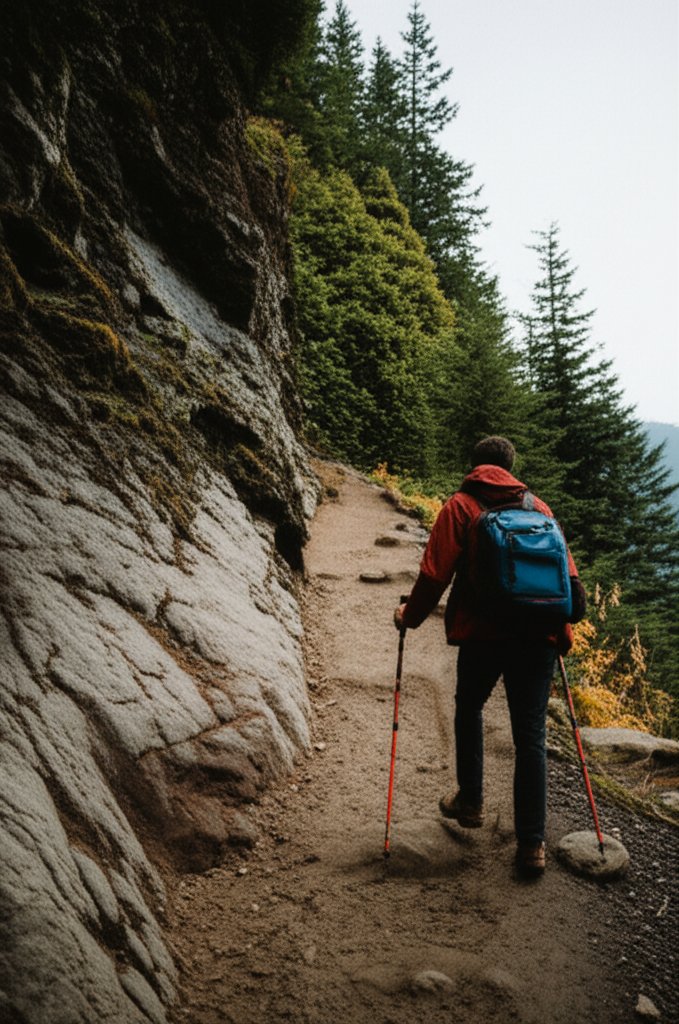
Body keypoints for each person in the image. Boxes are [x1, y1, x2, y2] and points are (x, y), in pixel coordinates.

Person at [394, 436, 586, 876]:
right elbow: (567, 582)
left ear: (475, 465)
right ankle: (532, 847)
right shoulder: (539, 509)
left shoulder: (461, 506)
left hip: (483, 635)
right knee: (531, 737)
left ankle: (472, 800)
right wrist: (563, 636)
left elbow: (433, 574)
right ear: (511, 467)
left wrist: (410, 617)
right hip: (538, 638)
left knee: (469, 707)